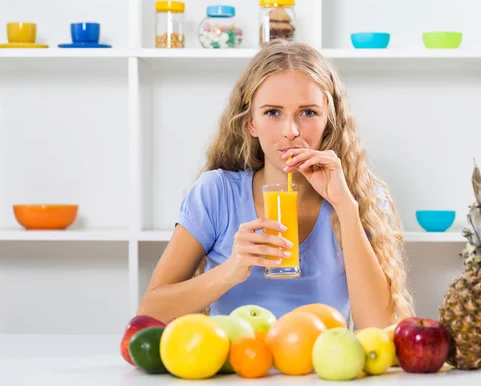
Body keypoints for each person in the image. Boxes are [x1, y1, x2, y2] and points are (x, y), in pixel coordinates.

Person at [137, 39, 415, 330]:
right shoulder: (216, 194)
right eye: (272, 112)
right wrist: (230, 271)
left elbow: (377, 325)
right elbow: (149, 314)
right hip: (237, 373)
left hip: (321, 372)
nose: (291, 131)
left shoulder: (361, 196)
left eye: (308, 112)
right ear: (251, 123)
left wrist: (346, 208)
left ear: (328, 122)